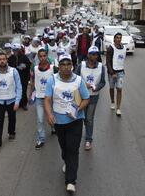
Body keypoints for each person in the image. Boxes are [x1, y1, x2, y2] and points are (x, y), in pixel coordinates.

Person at [44, 54, 90, 193]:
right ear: (59, 66)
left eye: (68, 64)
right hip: (59, 122)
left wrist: (77, 109)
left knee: (73, 149)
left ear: (72, 65)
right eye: (63, 64)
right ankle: (66, 161)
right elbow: (47, 99)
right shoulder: (52, 80)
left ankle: (70, 181)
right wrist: (49, 114)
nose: (65, 67)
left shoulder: (79, 80)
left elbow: (86, 99)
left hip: (75, 121)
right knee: (64, 148)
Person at [75, 46, 105, 150]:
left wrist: (97, 87)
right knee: (82, 118)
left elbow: (103, 82)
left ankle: (88, 139)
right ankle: (83, 132)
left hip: (93, 97)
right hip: (82, 97)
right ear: (88, 55)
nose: (94, 56)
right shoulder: (81, 65)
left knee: (89, 118)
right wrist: (83, 85)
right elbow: (75, 79)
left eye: (96, 54)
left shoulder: (101, 67)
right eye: (92, 54)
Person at [0, 52, 22, 150]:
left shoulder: (14, 71)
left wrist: (17, 101)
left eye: (4, 59)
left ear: (6, 60)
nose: (2, 61)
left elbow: (19, 87)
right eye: (0, 59)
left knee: (12, 118)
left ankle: (11, 132)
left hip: (11, 100)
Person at [29, 47, 58, 149]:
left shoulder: (52, 68)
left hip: (50, 98)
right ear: (38, 57)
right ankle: (40, 139)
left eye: (44, 56)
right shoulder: (35, 68)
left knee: (51, 116)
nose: (42, 58)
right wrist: (30, 94)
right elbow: (32, 82)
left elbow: (57, 81)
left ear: (47, 56)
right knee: (40, 119)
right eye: (40, 56)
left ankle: (53, 128)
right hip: (39, 98)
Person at [106, 32, 126, 117]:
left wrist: (121, 70)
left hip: (120, 72)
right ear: (114, 39)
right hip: (112, 72)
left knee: (119, 89)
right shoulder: (111, 48)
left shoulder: (124, 48)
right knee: (111, 88)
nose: (118, 39)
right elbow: (108, 61)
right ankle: (112, 101)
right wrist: (112, 72)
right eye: (117, 37)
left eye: (120, 38)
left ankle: (118, 108)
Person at [8, 43, 31, 111]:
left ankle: (24, 103)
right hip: (14, 77)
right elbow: (9, 67)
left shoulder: (24, 57)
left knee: (23, 90)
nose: (15, 51)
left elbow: (29, 64)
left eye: (16, 50)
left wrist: (25, 66)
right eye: (14, 50)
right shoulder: (11, 58)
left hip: (23, 76)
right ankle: (17, 103)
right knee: (15, 90)